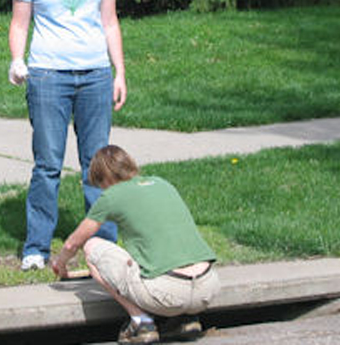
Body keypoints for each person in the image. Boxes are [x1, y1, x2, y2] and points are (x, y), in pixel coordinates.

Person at [8, 0, 127, 271]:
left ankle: (104, 245)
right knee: (47, 164)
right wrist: (16, 58)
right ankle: (36, 247)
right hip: (47, 76)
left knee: (98, 163)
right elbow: (19, 23)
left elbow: (109, 22)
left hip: (94, 74)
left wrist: (118, 72)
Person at [52, 145, 220, 344]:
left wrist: (60, 265)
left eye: (100, 184)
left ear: (104, 179)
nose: (102, 189)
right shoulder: (162, 183)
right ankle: (185, 320)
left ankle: (142, 323)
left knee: (92, 246)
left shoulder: (112, 195)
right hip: (207, 288)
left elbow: (74, 243)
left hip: (166, 294)